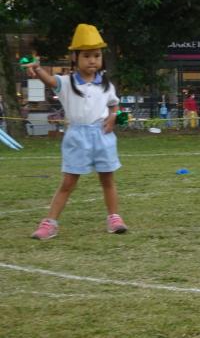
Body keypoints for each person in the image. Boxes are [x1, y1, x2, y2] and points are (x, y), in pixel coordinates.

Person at [24, 24, 127, 239]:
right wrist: (38, 70)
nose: (92, 61)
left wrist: (112, 117)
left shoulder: (106, 85)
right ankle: (49, 223)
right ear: (74, 58)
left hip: (102, 136)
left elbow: (114, 105)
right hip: (77, 137)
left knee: (108, 179)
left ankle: (114, 218)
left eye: (97, 56)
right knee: (68, 183)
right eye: (87, 56)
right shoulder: (66, 82)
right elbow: (50, 81)